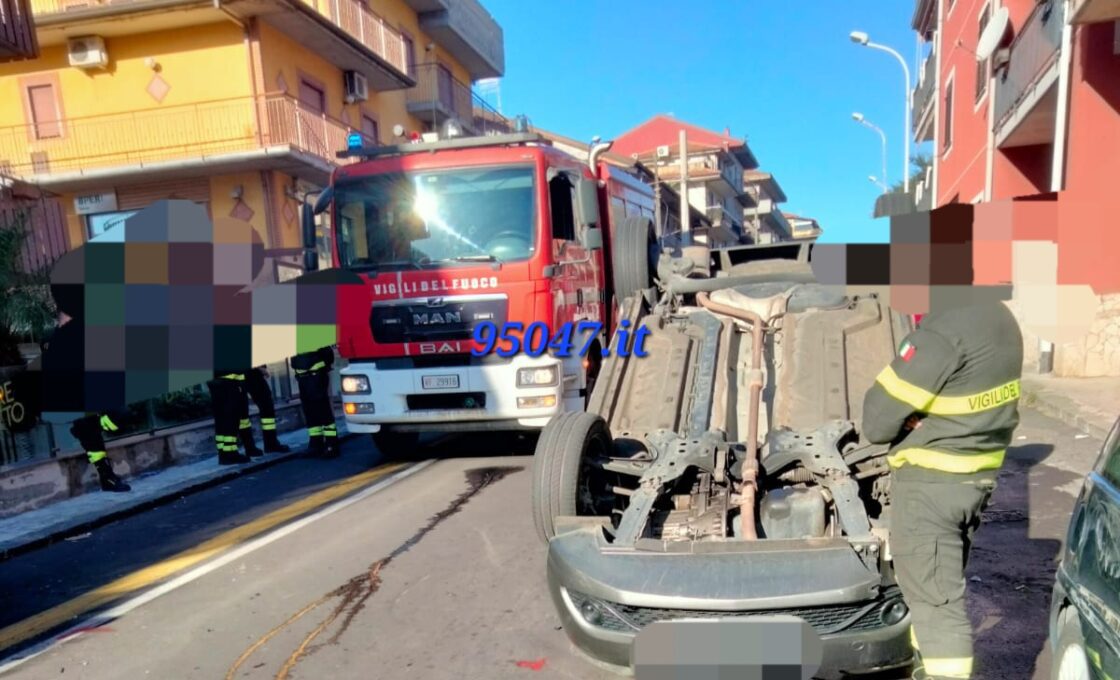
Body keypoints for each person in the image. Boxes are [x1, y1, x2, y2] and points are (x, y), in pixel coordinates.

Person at [862, 302, 1024, 680]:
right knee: (931, 596)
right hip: (973, 478)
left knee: (938, 608)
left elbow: (876, 422)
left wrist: (920, 417)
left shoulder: (941, 332)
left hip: (931, 489)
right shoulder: (999, 317)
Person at [290, 346, 338, 458]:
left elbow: (327, 353)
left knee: (322, 409)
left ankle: (332, 444)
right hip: (303, 377)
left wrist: (323, 369)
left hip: (315, 375)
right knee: (309, 411)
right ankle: (316, 444)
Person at [70, 411, 131, 492]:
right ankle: (108, 480)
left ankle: (108, 480)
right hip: (84, 423)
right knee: (96, 451)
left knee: (98, 448)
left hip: (90, 420)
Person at [207, 371, 255, 465]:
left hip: (216, 381)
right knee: (231, 419)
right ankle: (231, 453)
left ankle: (223, 454)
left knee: (221, 419)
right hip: (228, 382)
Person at [242, 365, 290, 454]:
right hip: (251, 373)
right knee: (266, 406)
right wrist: (261, 368)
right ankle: (270, 444)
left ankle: (252, 448)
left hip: (242, 374)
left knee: (244, 412)